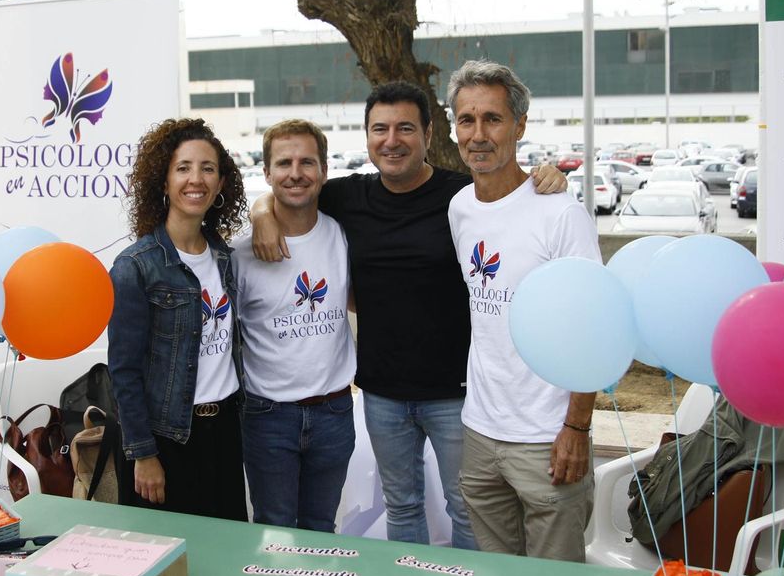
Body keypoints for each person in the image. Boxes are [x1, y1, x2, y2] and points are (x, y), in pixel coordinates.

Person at [252, 81, 566, 549]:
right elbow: (290, 194)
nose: (392, 140)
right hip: (382, 393)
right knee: (402, 505)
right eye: (380, 129)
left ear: (428, 133)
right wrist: (261, 211)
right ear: (366, 137)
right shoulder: (347, 198)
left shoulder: (463, 197)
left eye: (405, 128)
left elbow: (514, 195)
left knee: (467, 509)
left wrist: (549, 176)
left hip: (457, 394)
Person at [445, 60, 600, 560]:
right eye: (466, 120)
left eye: (492, 118)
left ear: (519, 125)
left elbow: (593, 329)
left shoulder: (561, 213)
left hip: (547, 438)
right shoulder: (460, 208)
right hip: (480, 433)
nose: (478, 134)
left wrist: (576, 428)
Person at [108, 117, 250, 520]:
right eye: (183, 167)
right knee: (163, 567)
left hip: (223, 433)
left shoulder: (225, 257)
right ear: (165, 180)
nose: (196, 179)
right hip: (166, 440)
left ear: (221, 183)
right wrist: (144, 454)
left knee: (225, 556)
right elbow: (123, 371)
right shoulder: (136, 266)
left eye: (208, 168)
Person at [232, 119, 356, 531]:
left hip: (334, 413)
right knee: (275, 531)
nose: (296, 173)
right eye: (284, 163)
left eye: (307, 162)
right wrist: (260, 210)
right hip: (268, 417)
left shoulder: (343, 236)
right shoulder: (240, 253)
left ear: (323, 170)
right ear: (266, 173)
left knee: (322, 529)